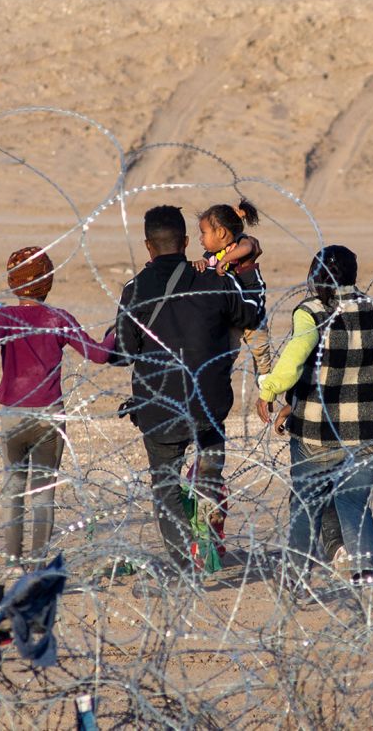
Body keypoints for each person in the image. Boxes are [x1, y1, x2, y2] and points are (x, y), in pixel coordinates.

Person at [0, 247, 115, 573]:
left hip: (13, 417)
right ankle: (38, 566)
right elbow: (99, 355)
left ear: (13, 283)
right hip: (50, 417)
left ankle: (13, 563)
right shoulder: (57, 318)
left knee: (14, 493)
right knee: (43, 497)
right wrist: (116, 333)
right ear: (48, 283)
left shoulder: (3, 317)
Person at [110, 205, 263, 572]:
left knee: (165, 486)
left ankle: (183, 563)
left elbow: (124, 353)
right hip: (208, 403)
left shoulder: (135, 290)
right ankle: (208, 518)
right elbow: (251, 314)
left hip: (159, 405)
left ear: (148, 246)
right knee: (210, 470)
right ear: (186, 242)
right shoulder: (215, 280)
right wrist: (246, 266)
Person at [257, 245, 373, 588]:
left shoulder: (310, 312)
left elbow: (295, 358)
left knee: (306, 507)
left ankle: (295, 581)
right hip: (370, 431)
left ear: (315, 277)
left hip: (317, 431)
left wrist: (270, 390)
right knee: (355, 504)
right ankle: (365, 580)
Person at [193, 200, 272, 380]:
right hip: (232, 313)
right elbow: (207, 265)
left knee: (261, 354)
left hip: (253, 310)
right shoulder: (211, 255)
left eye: (203, 233)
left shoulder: (241, 241)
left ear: (220, 232)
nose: (200, 238)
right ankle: (220, 383)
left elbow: (248, 248)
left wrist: (225, 260)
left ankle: (266, 390)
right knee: (227, 353)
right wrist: (201, 263)